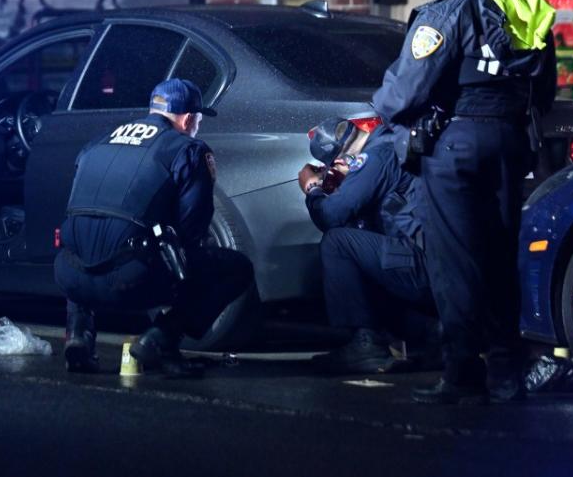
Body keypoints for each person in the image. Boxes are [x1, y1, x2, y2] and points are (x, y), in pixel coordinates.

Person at [370, 0, 557, 404]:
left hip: (455, 146)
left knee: (455, 262)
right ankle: (505, 371)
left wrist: (381, 109)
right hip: (513, 143)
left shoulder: (447, 12)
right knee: (501, 255)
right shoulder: (530, 9)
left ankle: (460, 373)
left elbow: (403, 93)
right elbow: (547, 90)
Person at [54, 78, 253, 376]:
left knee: (89, 241)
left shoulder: (98, 142)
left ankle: (79, 338)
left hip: (68, 275)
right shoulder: (188, 150)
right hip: (130, 281)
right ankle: (160, 340)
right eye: (197, 119)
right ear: (187, 119)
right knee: (236, 268)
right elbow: (192, 229)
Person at [297, 118, 438, 375]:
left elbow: (331, 216)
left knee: (338, 242)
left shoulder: (374, 158)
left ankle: (365, 346)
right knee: (364, 245)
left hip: (425, 267)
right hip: (444, 262)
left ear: (338, 161)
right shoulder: (392, 143)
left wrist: (313, 187)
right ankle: (432, 333)